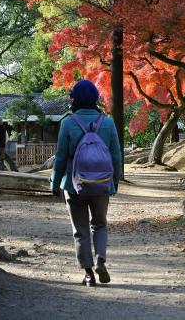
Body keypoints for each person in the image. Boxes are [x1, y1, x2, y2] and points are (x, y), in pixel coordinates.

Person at [50, 80, 121, 287]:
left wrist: (55, 183)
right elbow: (116, 156)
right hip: (101, 185)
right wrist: (113, 183)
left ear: (76, 99)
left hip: (74, 186)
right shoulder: (107, 123)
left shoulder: (68, 123)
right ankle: (100, 259)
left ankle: (89, 274)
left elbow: (61, 157)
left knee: (80, 230)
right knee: (100, 224)